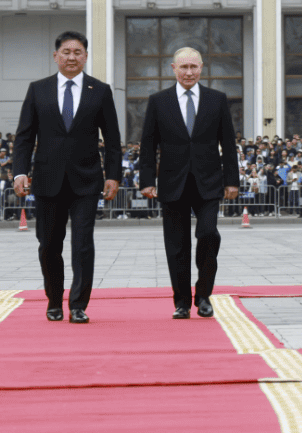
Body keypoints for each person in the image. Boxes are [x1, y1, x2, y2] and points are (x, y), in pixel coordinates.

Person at [12, 31, 123, 324]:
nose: (71, 57)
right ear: (56, 56)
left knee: (83, 242)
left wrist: (113, 175)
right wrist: (20, 172)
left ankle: (78, 304)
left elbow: (112, 138)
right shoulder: (39, 90)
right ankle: (53, 299)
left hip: (86, 180)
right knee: (49, 244)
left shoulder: (99, 90)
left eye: (77, 52)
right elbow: (24, 137)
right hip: (47, 180)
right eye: (66, 52)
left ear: (85, 57)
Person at [138, 46, 239, 320]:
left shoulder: (216, 100)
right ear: (173, 69)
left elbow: (228, 143)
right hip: (172, 182)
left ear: (202, 68)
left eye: (194, 67)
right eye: (183, 67)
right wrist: (146, 179)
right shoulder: (159, 101)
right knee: (176, 245)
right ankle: (181, 301)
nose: (189, 72)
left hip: (208, 181)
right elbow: (148, 144)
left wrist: (232, 180)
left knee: (208, 234)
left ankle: (203, 294)